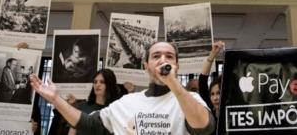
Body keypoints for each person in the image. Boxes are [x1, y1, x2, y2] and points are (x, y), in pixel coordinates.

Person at [31, 41, 215, 134]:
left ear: (177, 66)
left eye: (169, 56)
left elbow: (204, 128)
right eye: (156, 56)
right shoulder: (127, 102)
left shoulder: (189, 100)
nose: (163, 60)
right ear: (146, 66)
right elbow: (89, 124)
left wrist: (173, 83)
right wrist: (56, 100)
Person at [68, 69, 123, 135]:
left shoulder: (115, 110)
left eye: (102, 82)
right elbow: (72, 131)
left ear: (110, 84)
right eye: (95, 82)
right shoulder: (83, 106)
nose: (97, 84)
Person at [199, 41, 224, 127]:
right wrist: (212, 55)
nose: (215, 98)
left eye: (218, 93)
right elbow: (202, 80)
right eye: (212, 94)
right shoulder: (209, 110)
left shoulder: (232, 113)